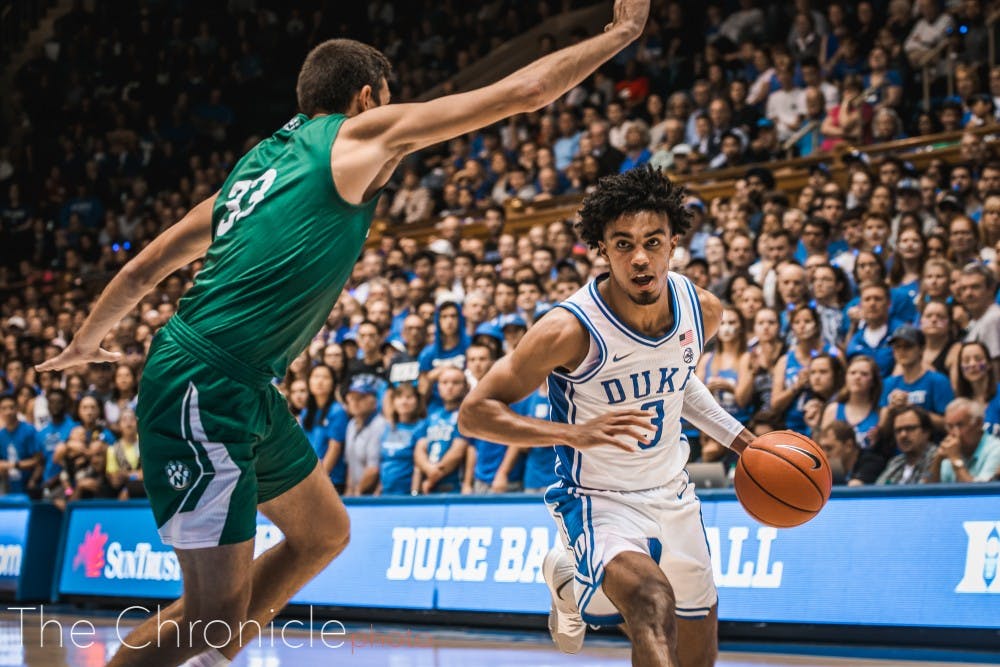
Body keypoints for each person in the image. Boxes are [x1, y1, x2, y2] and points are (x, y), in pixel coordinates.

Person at [34, 2, 654, 663]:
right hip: (202, 380)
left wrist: (86, 341)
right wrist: (620, 34)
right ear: (366, 99)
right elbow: (524, 92)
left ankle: (216, 651)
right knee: (211, 609)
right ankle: (204, 642)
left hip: (241, 382)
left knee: (323, 532)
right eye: (385, 104)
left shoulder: (254, 170)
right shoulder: (356, 137)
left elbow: (147, 264)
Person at [459, 166, 756, 666]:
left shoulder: (702, 310)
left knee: (697, 656)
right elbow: (474, 414)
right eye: (622, 244)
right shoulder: (568, 330)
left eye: (652, 241)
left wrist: (746, 441)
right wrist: (574, 433)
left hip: (671, 492)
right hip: (598, 500)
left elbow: (678, 384)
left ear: (674, 243)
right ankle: (578, 571)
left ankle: (570, 581)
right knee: (651, 602)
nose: (640, 258)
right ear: (602, 249)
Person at [926, 398, 1000, 483]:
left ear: (979, 423)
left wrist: (956, 460)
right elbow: (926, 492)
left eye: (960, 425)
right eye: (950, 426)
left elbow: (980, 493)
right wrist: (938, 460)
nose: (954, 433)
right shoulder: (951, 449)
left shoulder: (996, 450)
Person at [876, 407, 938, 485]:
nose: (903, 435)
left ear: (926, 432)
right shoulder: (896, 462)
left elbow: (925, 491)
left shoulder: (937, 458)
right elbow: (879, 491)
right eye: (898, 430)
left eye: (910, 428)